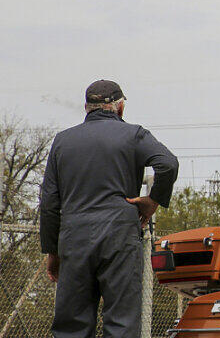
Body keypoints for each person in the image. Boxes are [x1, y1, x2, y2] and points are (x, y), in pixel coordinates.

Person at [39, 80, 179, 338]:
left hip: (74, 238)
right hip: (120, 236)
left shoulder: (62, 142)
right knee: (122, 323)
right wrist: (152, 201)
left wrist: (52, 251)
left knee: (72, 326)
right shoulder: (134, 134)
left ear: (86, 108)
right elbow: (167, 164)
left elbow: (49, 202)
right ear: (120, 107)